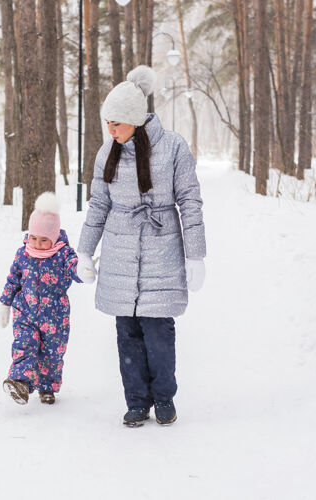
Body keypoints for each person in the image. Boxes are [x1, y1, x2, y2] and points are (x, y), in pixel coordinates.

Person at [76, 65, 207, 428]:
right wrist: (84, 251)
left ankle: (163, 396)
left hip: (161, 249)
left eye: (115, 123)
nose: (110, 130)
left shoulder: (174, 148)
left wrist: (196, 253)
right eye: (108, 124)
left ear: (134, 119)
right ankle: (136, 401)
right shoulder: (108, 153)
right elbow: (98, 204)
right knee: (127, 334)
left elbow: (190, 200)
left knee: (158, 331)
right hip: (120, 251)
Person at [0, 192, 92, 405]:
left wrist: (83, 270)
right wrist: (5, 302)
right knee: (24, 345)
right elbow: (13, 279)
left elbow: (74, 269)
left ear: (54, 238)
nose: (37, 243)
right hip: (26, 312)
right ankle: (21, 384)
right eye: (33, 238)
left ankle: (47, 387)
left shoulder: (63, 254)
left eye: (43, 240)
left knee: (52, 355)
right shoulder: (23, 253)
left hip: (55, 316)